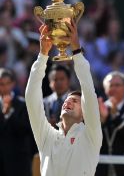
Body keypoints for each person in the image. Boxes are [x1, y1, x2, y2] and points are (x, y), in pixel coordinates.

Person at [25, 20, 102, 176]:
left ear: (84, 113)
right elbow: (31, 98)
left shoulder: (91, 135)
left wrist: (76, 51)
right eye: (67, 100)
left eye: (75, 101)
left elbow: (88, 90)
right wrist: (42, 55)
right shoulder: (46, 136)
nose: (68, 101)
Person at [96, 71, 124, 176]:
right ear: (105, 89)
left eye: (117, 85)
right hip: (102, 168)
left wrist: (115, 117)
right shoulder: (96, 110)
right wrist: (101, 121)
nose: (114, 88)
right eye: (110, 85)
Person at [0, 68, 34, 176]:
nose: (5, 87)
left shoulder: (23, 104)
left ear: (13, 84)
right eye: (1, 84)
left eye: (7, 83)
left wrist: (9, 113)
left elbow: (25, 130)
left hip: (18, 162)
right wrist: (3, 114)